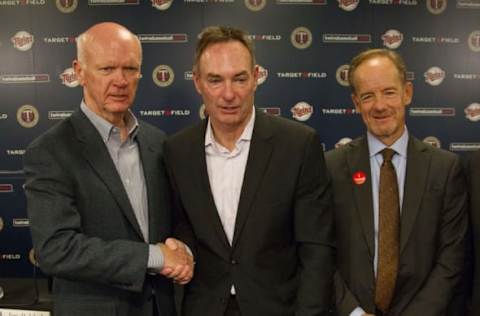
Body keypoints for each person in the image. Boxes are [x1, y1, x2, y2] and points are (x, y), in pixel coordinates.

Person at [24, 22, 193, 316]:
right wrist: (154, 257)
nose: (121, 80)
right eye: (107, 69)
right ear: (79, 72)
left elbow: (176, 220)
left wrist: (184, 251)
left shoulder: (157, 142)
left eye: (130, 69)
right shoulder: (50, 151)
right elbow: (56, 249)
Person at [164, 26, 334, 316]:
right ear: (197, 82)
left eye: (239, 79)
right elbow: (183, 228)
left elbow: (316, 249)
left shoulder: (298, 145)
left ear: (256, 77)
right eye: (215, 80)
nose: (228, 94)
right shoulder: (177, 151)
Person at [325, 48, 468, 316]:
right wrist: (353, 312)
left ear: (408, 93)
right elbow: (319, 253)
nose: (379, 105)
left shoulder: (444, 168)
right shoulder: (331, 167)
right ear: (356, 103)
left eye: (389, 92)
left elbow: (452, 259)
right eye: (368, 96)